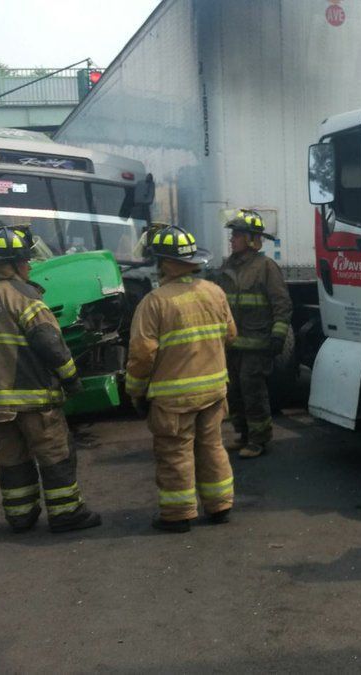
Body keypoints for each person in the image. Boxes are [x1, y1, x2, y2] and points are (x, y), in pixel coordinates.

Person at [0, 226, 101, 533]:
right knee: (54, 453)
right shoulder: (23, 295)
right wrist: (72, 380)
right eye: (26, 260)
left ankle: (20, 516)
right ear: (15, 263)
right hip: (33, 399)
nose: (30, 266)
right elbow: (50, 343)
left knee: (13, 456)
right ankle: (67, 514)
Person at [126, 224, 237, 533]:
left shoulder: (154, 302)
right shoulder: (215, 292)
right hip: (214, 390)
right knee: (212, 446)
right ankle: (220, 505)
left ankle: (177, 514)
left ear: (163, 262)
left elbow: (141, 356)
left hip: (173, 400)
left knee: (175, 453)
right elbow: (231, 335)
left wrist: (135, 392)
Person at [212, 210, 293, 459]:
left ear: (250, 239)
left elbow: (282, 304)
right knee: (234, 391)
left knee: (252, 390)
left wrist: (278, 337)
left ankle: (259, 439)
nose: (232, 239)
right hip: (233, 343)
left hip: (257, 343)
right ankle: (243, 433)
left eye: (236, 235)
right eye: (232, 235)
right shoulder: (228, 266)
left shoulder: (266, 267)